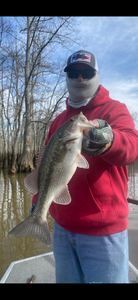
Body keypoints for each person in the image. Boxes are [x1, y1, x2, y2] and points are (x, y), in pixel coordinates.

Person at [31, 50, 138, 283]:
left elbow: (132, 148)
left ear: (96, 75)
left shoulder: (115, 109)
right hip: (61, 228)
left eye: (86, 72)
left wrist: (109, 140)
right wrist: (36, 203)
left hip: (104, 233)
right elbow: (47, 165)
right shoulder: (60, 120)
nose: (80, 78)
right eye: (74, 73)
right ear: (67, 77)